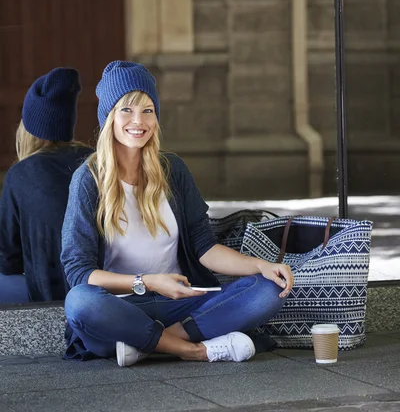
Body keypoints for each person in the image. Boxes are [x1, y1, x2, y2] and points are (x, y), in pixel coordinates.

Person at [61, 61, 294, 366]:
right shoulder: (88, 179)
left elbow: (204, 248)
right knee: (80, 302)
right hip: (120, 309)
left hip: (180, 304)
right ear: (109, 117)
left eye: (148, 110)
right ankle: (193, 350)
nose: (138, 121)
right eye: (126, 110)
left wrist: (260, 265)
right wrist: (149, 282)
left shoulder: (173, 171)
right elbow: (79, 273)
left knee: (266, 289)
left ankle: (150, 344)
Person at [0, 68, 92, 303]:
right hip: (101, 292)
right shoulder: (97, 162)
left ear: (28, 129)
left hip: (48, 298)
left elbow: (7, 259)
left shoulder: (21, 174)